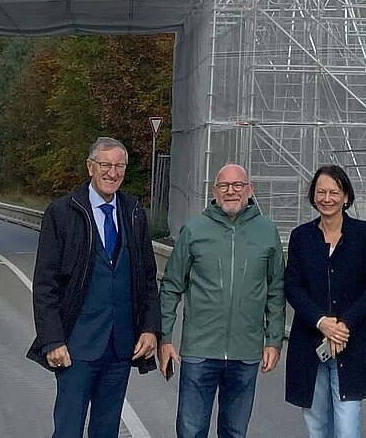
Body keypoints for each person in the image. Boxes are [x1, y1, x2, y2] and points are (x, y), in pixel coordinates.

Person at [28, 138, 161, 438]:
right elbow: (45, 284)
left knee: (106, 431)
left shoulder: (134, 212)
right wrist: (52, 340)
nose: (112, 173)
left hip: (120, 347)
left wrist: (151, 328)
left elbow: (147, 279)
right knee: (68, 430)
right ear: (91, 167)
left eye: (119, 166)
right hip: (76, 346)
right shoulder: (63, 213)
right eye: (105, 165)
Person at [158, 163, 285, 438]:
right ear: (214, 192)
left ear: (249, 190)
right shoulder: (193, 230)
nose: (231, 191)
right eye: (224, 186)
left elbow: (276, 288)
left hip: (246, 352)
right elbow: (170, 286)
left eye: (238, 185)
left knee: (235, 432)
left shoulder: (267, 232)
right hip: (199, 351)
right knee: (191, 431)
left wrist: (274, 340)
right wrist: (164, 338)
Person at [284, 164, 366, 438]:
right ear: (313, 197)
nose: (327, 198)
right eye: (321, 192)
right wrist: (321, 322)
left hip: (351, 347)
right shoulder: (301, 237)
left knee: (347, 429)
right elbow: (292, 287)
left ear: (346, 196)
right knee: (317, 430)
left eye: (334, 192)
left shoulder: (364, 234)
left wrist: (341, 326)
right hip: (309, 348)